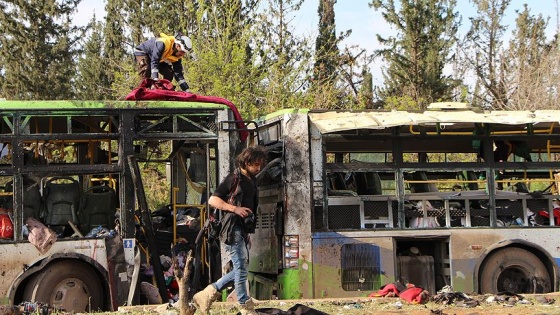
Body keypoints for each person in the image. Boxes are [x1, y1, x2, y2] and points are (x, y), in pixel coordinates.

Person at [193, 146, 267, 315]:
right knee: (240, 266)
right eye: (256, 164)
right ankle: (244, 304)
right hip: (231, 227)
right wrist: (234, 209)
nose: (258, 168)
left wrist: (247, 232)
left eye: (260, 165)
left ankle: (207, 293)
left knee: (241, 268)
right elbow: (213, 200)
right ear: (246, 162)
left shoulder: (251, 180)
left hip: (242, 229)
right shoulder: (234, 178)